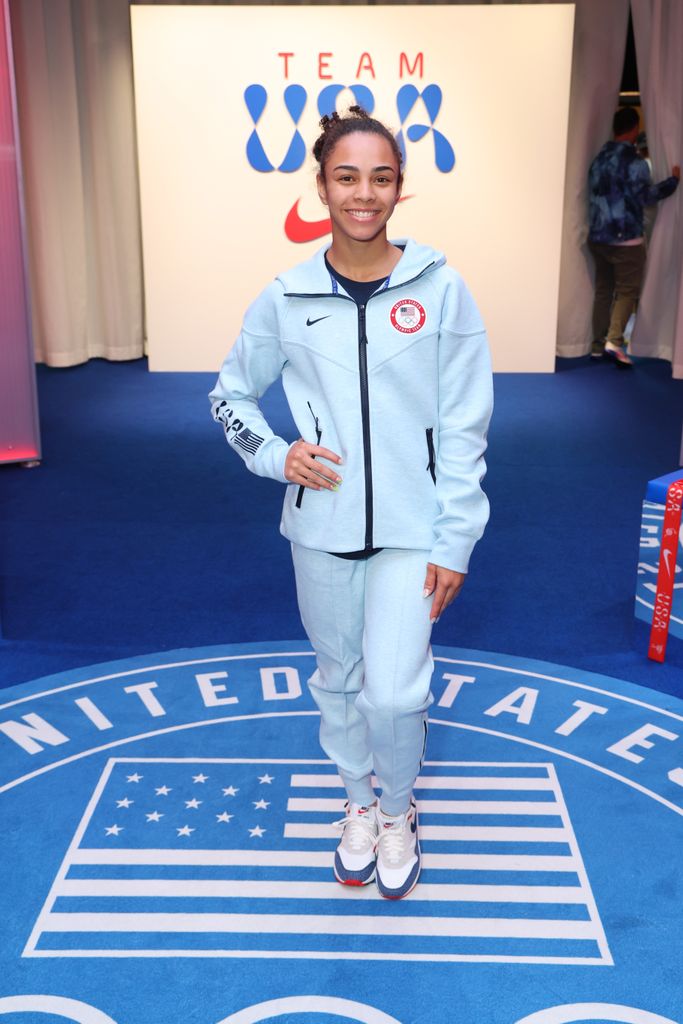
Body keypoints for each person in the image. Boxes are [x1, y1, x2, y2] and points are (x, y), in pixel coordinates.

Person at [209, 107, 493, 900]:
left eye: (380, 177)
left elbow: (467, 425)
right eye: (346, 177)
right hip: (321, 528)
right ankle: (358, 804)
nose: (362, 194)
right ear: (322, 185)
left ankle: (399, 812)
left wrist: (455, 539)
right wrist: (277, 454)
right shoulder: (285, 295)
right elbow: (229, 396)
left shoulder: (442, 289)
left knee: (396, 690)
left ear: (399, 187)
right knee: (337, 679)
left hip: (415, 529)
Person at [587, 106, 679, 367]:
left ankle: (596, 344)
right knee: (627, 291)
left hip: (597, 236)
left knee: (603, 291)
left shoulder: (599, 158)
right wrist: (672, 182)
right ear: (634, 129)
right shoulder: (634, 162)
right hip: (625, 238)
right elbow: (646, 197)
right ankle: (614, 342)